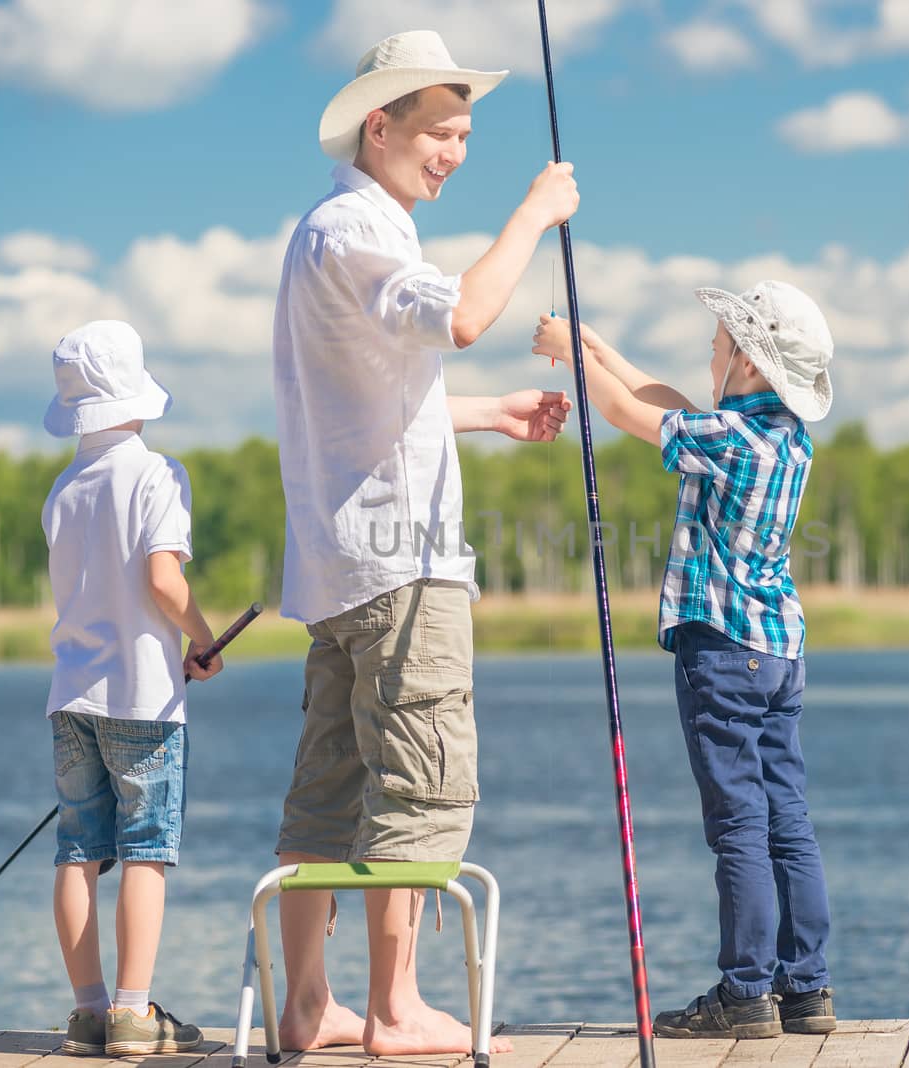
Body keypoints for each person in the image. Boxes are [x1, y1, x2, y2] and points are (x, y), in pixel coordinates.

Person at [271, 29, 577, 1057]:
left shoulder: (334, 234)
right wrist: (534, 212)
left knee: (330, 788)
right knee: (422, 783)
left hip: (341, 568)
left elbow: (381, 404)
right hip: (403, 568)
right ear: (380, 124)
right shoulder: (362, 231)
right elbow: (462, 319)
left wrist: (492, 415)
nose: (452, 151)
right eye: (439, 131)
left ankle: (309, 1005)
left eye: (464, 135)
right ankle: (394, 1009)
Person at [532, 281, 838, 1039]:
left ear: (750, 364)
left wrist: (574, 361)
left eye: (721, 340)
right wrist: (598, 346)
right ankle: (805, 988)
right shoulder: (786, 437)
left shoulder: (728, 439)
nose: (711, 346)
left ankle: (744, 993)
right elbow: (664, 400)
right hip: (779, 653)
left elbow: (630, 414)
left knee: (738, 824)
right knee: (786, 821)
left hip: (723, 654)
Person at [40, 319, 224, 1056]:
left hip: (71, 695)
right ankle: (133, 1014)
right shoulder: (157, 473)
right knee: (146, 849)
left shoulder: (62, 488)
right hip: (143, 698)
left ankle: (87, 1013)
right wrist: (203, 638)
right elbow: (162, 581)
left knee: (77, 849)